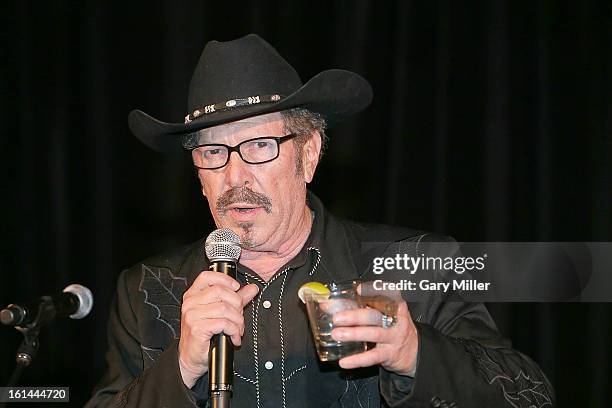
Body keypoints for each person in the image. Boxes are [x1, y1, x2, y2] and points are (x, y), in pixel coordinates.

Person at [86, 34, 554, 407]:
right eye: (212, 152)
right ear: (198, 175)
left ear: (308, 155)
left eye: (258, 146)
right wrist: (181, 369)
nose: (234, 176)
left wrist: (415, 354)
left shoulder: (414, 263)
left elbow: (530, 396)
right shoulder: (146, 291)